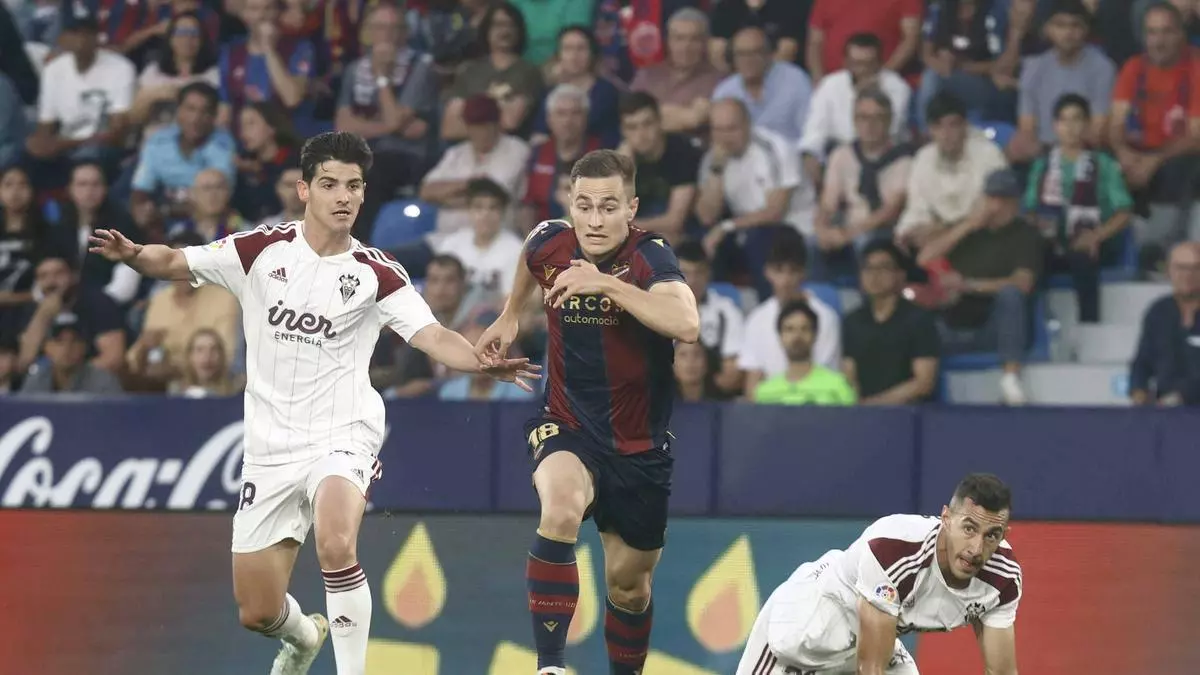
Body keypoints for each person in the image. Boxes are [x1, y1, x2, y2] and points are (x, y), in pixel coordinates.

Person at [87, 131, 540, 675]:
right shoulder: (259, 251)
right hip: (270, 448)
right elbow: (175, 261)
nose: (343, 196)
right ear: (304, 190)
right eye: (330, 184)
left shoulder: (376, 272)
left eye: (354, 186)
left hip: (342, 433)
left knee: (335, 541)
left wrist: (479, 361)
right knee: (257, 610)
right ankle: (304, 637)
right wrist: (135, 255)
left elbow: (433, 336)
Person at [474, 149, 700, 675]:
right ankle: (550, 666)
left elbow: (686, 323)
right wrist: (511, 314)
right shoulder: (552, 241)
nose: (595, 220)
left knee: (629, 587)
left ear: (631, 208)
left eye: (608, 207)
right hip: (567, 422)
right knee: (560, 509)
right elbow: (533, 247)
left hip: (640, 448)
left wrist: (607, 283)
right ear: (570, 205)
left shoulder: (649, 256)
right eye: (584, 206)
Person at [735, 473, 1021, 675]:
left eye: (992, 535)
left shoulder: (1003, 580)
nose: (976, 548)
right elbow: (870, 668)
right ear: (946, 518)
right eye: (969, 528)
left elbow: (1002, 672)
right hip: (810, 625)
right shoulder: (894, 549)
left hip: (871, 641)